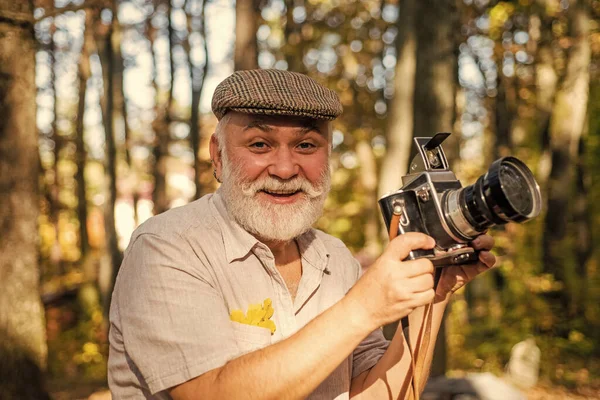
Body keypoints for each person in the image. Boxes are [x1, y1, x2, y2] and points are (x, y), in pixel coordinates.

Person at [107, 69, 496, 399]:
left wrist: (434, 293)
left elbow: (381, 392)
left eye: (306, 145)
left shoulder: (335, 258)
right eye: (259, 144)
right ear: (219, 154)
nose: (284, 168)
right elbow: (211, 392)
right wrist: (362, 308)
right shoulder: (167, 247)